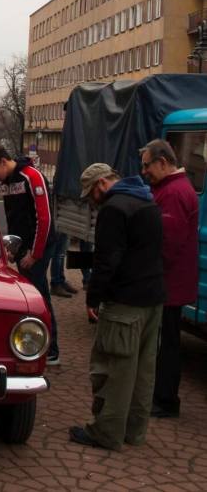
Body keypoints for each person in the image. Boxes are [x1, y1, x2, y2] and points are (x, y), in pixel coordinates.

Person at [69, 163, 164, 451]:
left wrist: (92, 298)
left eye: (90, 195)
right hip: (153, 298)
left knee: (114, 368)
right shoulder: (146, 200)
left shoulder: (114, 209)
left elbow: (107, 261)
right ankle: (134, 431)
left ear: (100, 185)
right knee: (143, 371)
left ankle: (107, 432)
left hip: (125, 301)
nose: (92, 202)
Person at [0, 145, 60, 365]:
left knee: (38, 294)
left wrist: (35, 254)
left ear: (4, 162)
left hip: (39, 246)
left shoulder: (31, 176)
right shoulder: (7, 183)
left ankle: (50, 348)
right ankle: (33, 341)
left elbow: (44, 219)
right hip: (24, 246)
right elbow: (11, 217)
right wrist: (14, 248)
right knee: (30, 293)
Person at [139, 139, 199, 419]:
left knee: (166, 344)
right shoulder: (172, 188)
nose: (144, 172)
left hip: (168, 283)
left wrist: (147, 275)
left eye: (147, 165)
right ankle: (162, 396)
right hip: (170, 282)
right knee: (167, 341)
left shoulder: (174, 193)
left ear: (163, 162)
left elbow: (166, 243)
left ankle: (165, 399)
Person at [50, 231, 78, 297]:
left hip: (64, 227)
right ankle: (55, 284)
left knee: (61, 254)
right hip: (59, 224)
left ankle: (61, 281)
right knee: (58, 255)